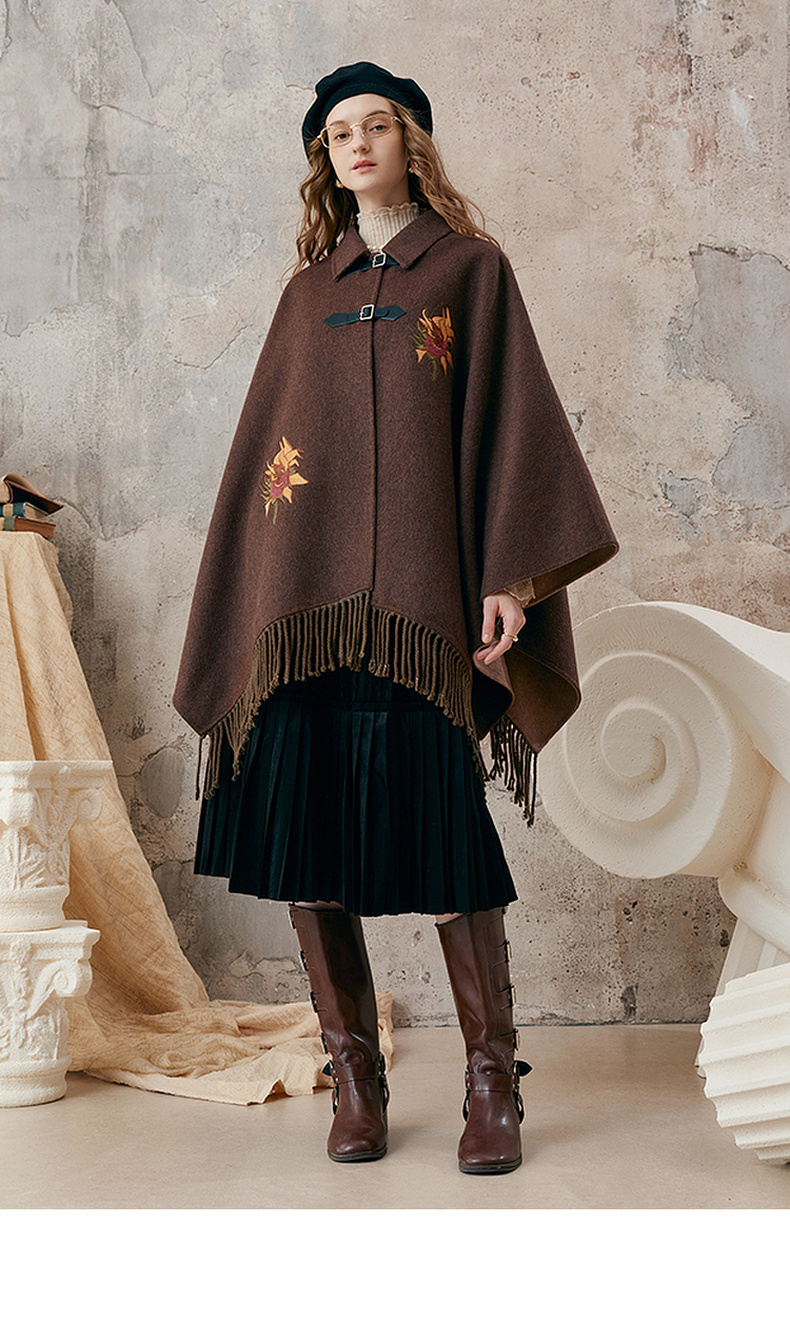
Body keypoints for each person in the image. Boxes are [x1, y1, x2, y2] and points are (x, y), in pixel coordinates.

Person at [174, 61, 617, 1175]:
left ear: (410, 142)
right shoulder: (306, 295)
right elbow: (267, 463)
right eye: (340, 133)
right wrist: (257, 599)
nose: (359, 143)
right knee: (308, 834)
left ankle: (490, 1079)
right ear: (324, 159)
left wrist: (511, 576)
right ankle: (355, 1075)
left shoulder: (468, 269)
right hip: (306, 615)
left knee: (446, 836)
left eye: (378, 125)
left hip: (421, 613)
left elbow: (511, 426)